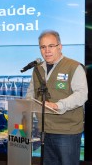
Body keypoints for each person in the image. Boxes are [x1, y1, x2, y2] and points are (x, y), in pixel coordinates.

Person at [26, 30, 88, 165]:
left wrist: (59, 105)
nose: (47, 50)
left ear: (60, 47)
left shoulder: (74, 67)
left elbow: (82, 94)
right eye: (43, 47)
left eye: (51, 46)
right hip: (45, 130)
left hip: (67, 131)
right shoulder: (37, 69)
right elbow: (30, 93)